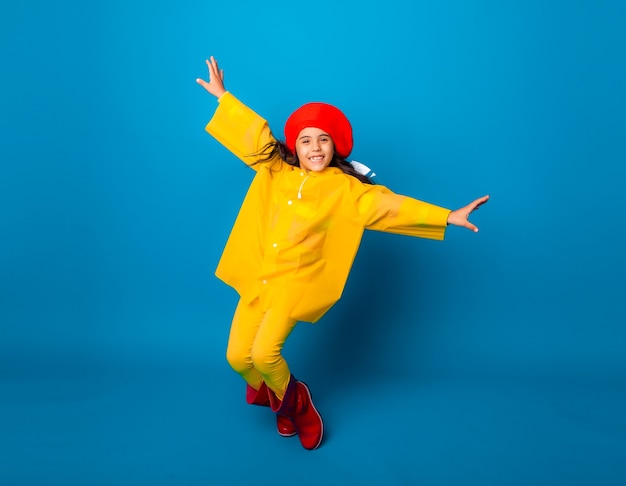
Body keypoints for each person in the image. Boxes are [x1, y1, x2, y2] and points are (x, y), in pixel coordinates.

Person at [196, 56, 489, 450]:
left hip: (296, 284)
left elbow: (390, 208)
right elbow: (253, 134)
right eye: (305, 140)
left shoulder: (345, 190)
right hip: (258, 277)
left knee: (265, 355)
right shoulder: (275, 169)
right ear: (293, 146)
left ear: (334, 146)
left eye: (323, 140)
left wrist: (448, 216)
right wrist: (223, 97)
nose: (314, 147)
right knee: (237, 358)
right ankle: (284, 398)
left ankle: (296, 406)